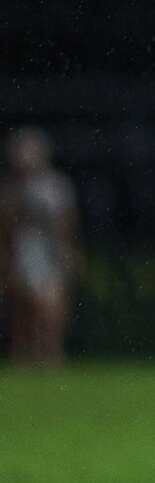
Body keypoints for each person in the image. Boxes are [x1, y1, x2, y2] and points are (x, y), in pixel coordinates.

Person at [0, 128, 81, 367]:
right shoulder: (9, 189)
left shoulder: (56, 186)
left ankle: (52, 350)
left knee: (51, 303)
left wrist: (71, 251)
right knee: (23, 309)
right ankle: (24, 354)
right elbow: (5, 229)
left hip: (51, 251)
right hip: (22, 251)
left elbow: (69, 223)